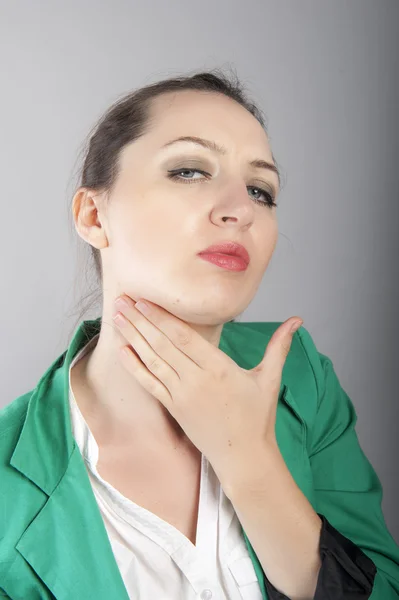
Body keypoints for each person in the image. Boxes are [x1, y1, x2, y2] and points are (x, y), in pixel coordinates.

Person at [1, 68, 399, 600]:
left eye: (262, 190)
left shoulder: (302, 376)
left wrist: (251, 464)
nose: (239, 210)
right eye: (189, 171)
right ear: (95, 215)